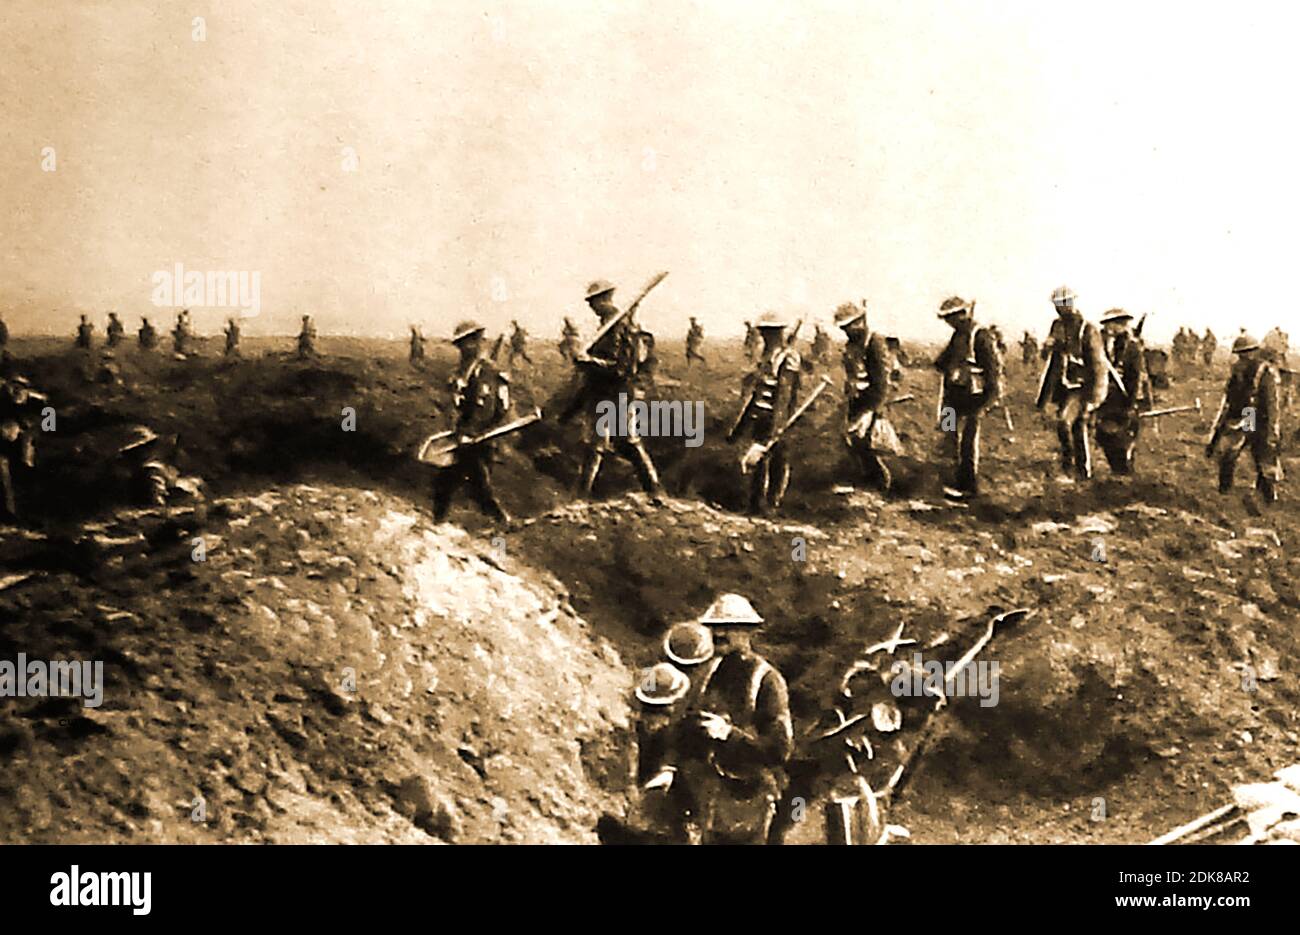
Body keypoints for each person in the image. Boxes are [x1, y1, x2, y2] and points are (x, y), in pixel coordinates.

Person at [645, 593, 793, 846]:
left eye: (729, 628)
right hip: (707, 794)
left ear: (748, 633)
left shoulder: (768, 680)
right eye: (715, 628)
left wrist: (729, 734)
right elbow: (683, 728)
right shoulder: (705, 674)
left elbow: (780, 748)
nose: (720, 634)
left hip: (749, 798)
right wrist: (669, 768)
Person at [556, 280, 664, 501]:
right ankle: (582, 497)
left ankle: (654, 491)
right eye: (591, 302)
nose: (591, 306)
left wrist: (588, 362)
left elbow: (620, 368)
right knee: (606, 443)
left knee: (615, 442)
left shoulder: (620, 327)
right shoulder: (606, 327)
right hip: (603, 393)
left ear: (606, 299)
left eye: (595, 301)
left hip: (618, 393)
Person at [432, 320, 512, 523]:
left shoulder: (485, 371)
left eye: (468, 342)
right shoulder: (463, 370)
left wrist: (471, 432)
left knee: (478, 486)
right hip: (464, 435)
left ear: (478, 342)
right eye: (460, 344)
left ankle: (502, 522)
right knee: (449, 483)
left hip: (480, 437)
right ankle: (438, 521)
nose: (464, 348)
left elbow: (486, 406)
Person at [728, 312, 801, 514]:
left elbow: (784, 397)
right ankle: (755, 505)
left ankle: (772, 506)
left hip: (778, 420)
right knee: (758, 464)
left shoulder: (788, 358)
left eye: (769, 332)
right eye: (763, 332)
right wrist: (740, 427)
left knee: (777, 461)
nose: (765, 336)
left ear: (778, 333)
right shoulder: (766, 357)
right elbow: (756, 394)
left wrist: (776, 430)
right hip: (761, 417)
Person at [933, 296, 1002, 496]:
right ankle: (948, 480)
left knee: (967, 443)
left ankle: (968, 487)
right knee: (947, 438)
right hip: (951, 398)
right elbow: (942, 361)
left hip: (974, 399)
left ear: (962, 315)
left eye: (951, 317)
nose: (949, 322)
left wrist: (989, 400)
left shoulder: (980, 336)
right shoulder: (957, 336)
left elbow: (992, 371)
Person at [1036, 286, 1108, 480]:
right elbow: (1051, 359)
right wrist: (1048, 348)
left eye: (1064, 304)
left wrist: (1093, 397)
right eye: (1058, 305)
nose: (1060, 308)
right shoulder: (1057, 326)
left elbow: (1098, 366)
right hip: (1063, 385)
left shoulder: (1087, 329)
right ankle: (1079, 471)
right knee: (1073, 426)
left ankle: (1074, 469)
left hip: (1082, 387)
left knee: (1066, 423)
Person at [1207, 334, 1282, 503]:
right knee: (1229, 453)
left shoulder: (1265, 372)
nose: (1244, 357)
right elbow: (1229, 397)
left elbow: (1272, 403)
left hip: (1260, 418)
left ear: (1255, 352)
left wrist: (1272, 429)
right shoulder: (1237, 370)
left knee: (1263, 457)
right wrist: (1222, 422)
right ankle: (1224, 491)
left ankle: (1267, 497)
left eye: (1247, 353)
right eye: (1241, 354)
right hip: (1245, 416)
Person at [836, 302, 898, 491]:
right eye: (844, 327)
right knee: (853, 440)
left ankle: (882, 481)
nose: (847, 330)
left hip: (871, 400)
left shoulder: (875, 342)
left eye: (850, 326)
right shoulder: (852, 344)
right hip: (857, 399)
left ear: (861, 321)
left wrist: (875, 408)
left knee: (868, 441)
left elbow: (882, 379)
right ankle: (868, 479)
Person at [1094, 310, 1152, 475]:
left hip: (1124, 399)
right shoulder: (1100, 343)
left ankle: (1124, 473)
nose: (1112, 327)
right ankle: (1119, 471)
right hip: (1105, 399)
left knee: (1121, 437)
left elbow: (1134, 378)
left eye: (1119, 323)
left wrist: (1130, 403)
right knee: (1105, 436)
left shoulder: (1131, 347)